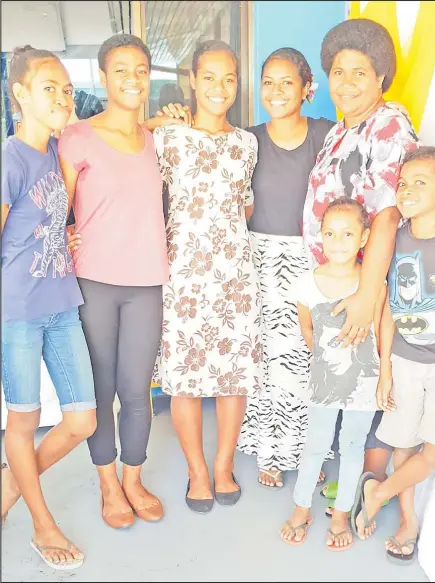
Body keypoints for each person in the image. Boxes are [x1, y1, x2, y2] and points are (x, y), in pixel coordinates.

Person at [58, 34, 187, 529]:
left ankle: (133, 479)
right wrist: (63, 235)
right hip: (94, 282)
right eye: (121, 71)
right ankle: (108, 484)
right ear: (105, 78)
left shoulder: (157, 138)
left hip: (147, 281)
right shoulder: (78, 137)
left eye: (140, 70)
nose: (132, 79)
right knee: (102, 388)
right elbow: (58, 208)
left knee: (137, 390)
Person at [301, 18, 419, 499]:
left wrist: (368, 295)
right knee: (342, 379)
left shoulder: (389, 123)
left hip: (360, 283)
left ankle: (361, 489)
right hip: (334, 280)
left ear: (380, 79)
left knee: (366, 383)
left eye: (359, 73)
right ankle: (344, 482)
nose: (345, 83)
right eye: (338, 71)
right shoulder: (340, 131)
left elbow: (387, 217)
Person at [152, 40, 263, 513]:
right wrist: (156, 120)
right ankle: (197, 470)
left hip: (235, 275)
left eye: (229, 78)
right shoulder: (167, 139)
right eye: (210, 77)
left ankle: (222, 465)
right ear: (192, 81)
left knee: (234, 378)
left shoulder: (246, 144)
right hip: (183, 276)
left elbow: (246, 206)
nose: (220, 87)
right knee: (186, 380)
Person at [1, 46, 96, 570]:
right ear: (19, 94)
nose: (61, 97)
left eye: (65, 88)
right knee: (24, 420)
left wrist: (64, 237)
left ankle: (9, 484)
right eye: (48, 88)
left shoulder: (56, 151)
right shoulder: (10, 158)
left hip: (62, 302)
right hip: (17, 309)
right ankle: (42, 523)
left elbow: (42, 224)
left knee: (81, 419)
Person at [352, 147, 435, 564]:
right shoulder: (394, 240)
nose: (407, 189)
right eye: (403, 182)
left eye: (420, 182)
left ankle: (378, 493)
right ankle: (408, 521)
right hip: (402, 361)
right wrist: (384, 371)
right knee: (403, 443)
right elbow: (389, 307)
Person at [232, 48, 333, 489]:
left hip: (311, 262)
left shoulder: (328, 136)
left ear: (307, 88)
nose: (275, 91)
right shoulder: (246, 140)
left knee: (307, 360)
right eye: (268, 81)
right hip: (257, 261)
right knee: (266, 362)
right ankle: (269, 452)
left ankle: (310, 446)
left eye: (286, 81)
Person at [279, 197, 390, 551]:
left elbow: (380, 332)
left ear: (364, 238)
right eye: (330, 233)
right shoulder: (306, 283)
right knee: (315, 445)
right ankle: (301, 509)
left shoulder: (374, 284)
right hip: (324, 382)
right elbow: (308, 330)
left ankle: (341, 514)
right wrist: (328, 365)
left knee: (352, 446)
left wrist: (383, 375)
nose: (337, 241)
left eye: (347, 233)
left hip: (364, 384)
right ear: (320, 236)